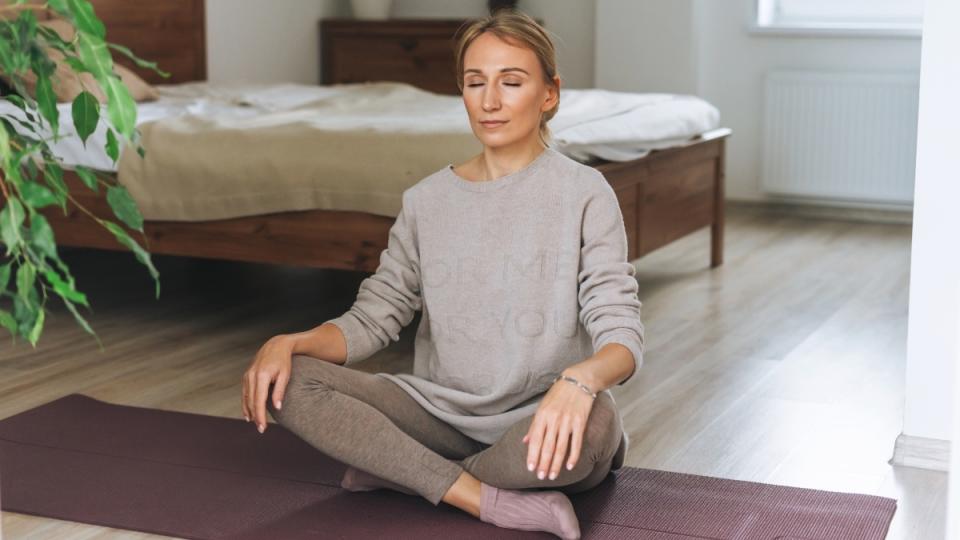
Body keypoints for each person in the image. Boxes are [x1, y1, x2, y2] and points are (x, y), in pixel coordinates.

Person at [240, 9, 644, 540]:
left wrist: (580, 380)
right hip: (436, 416)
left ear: (549, 94)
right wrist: (290, 342)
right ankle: (477, 497)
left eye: (512, 82)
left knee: (587, 436)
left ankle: (401, 472)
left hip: (538, 416)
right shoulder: (425, 200)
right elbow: (375, 316)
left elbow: (621, 332)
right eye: (476, 83)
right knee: (289, 384)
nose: (490, 101)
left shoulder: (585, 193)